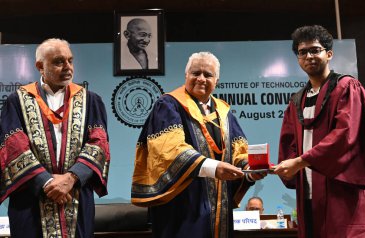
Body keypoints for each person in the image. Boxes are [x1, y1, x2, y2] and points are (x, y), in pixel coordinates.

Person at [131, 52, 266, 238]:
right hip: (181, 208)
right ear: (186, 76)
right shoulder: (168, 105)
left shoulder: (225, 113)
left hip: (220, 210)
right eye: (196, 73)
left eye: (208, 75)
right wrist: (213, 167)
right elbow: (168, 150)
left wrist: (250, 171)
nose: (201, 78)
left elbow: (238, 151)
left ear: (216, 81)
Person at [273, 25, 365, 238]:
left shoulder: (346, 88)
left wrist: (300, 161)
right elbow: (289, 144)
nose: (309, 56)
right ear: (298, 59)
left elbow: (345, 135)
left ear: (329, 54)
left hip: (342, 190)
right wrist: (286, 165)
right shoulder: (297, 100)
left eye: (315, 50)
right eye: (303, 52)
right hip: (310, 193)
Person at [0, 38, 111, 237]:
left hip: (74, 194)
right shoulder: (17, 101)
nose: (68, 67)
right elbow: (14, 147)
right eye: (59, 61)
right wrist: (46, 182)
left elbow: (99, 144)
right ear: (40, 66)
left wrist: (71, 178)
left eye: (70, 60)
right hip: (32, 198)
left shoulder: (90, 100)